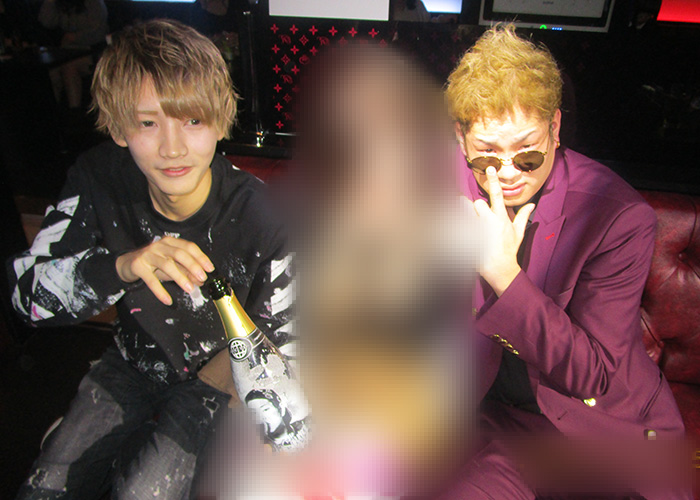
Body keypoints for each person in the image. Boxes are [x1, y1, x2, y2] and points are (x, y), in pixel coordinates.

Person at [8, 19, 294, 499]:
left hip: (217, 378)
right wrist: (119, 267)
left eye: (193, 121)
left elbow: (288, 345)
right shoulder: (99, 177)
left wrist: (272, 434)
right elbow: (26, 299)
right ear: (119, 128)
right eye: (147, 123)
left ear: (220, 121)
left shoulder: (265, 216)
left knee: (142, 490)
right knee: (46, 486)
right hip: (131, 360)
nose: (172, 147)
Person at [445, 24, 690, 499]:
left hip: (598, 429)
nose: (507, 174)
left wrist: (503, 274)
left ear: (555, 129)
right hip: (495, 424)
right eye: (487, 156)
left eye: (527, 154)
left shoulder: (615, 216)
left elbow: (590, 374)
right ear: (461, 138)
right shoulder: (437, 182)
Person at [38, 0, 108, 109]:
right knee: (52, 72)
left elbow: (99, 32)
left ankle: (74, 111)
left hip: (93, 51)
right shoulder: (63, 4)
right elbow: (46, 21)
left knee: (69, 68)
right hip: (67, 51)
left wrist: (74, 38)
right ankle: (54, 111)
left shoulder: (94, 3)